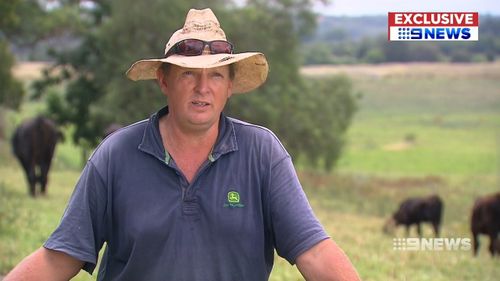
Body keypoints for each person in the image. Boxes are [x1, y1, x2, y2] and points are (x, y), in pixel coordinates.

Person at [5, 8, 361, 281]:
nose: (202, 88)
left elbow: (314, 253)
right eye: (188, 73)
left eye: (216, 75)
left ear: (230, 85)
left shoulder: (262, 153)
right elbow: (60, 257)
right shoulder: (116, 155)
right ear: (164, 79)